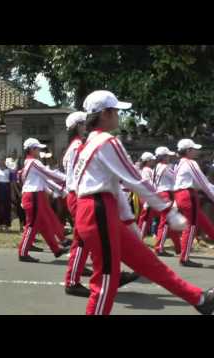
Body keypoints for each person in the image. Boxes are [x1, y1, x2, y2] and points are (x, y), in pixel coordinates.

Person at [74, 90, 214, 315]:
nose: (119, 116)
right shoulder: (107, 141)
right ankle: (199, 299)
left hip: (98, 210)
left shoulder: (88, 144)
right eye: (116, 111)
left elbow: (115, 188)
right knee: (106, 280)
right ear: (106, 114)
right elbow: (135, 179)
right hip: (98, 211)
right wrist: (167, 209)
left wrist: (129, 222)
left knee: (148, 262)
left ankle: (198, 299)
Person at [17, 138, 70, 263]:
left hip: (36, 195)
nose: (39, 151)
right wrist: (67, 180)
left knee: (43, 224)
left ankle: (56, 249)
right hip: (34, 195)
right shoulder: (34, 162)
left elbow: (44, 179)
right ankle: (22, 252)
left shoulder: (29, 163)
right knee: (32, 225)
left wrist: (57, 189)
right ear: (31, 149)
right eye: (37, 148)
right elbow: (49, 174)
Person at [62, 111, 94, 297]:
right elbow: (76, 176)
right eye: (83, 123)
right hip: (77, 194)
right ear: (77, 126)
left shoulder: (75, 146)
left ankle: (79, 269)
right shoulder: (77, 147)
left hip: (76, 193)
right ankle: (73, 280)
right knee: (83, 239)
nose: (86, 126)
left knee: (82, 239)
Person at [173, 139, 214, 267]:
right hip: (188, 195)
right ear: (188, 150)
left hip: (182, 195)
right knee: (191, 226)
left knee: (205, 223)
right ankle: (184, 258)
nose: (198, 151)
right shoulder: (190, 163)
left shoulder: (179, 163)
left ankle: (184, 256)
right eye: (195, 149)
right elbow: (203, 183)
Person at [152, 146, 182, 257]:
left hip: (159, 193)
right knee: (166, 222)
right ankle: (159, 247)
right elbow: (176, 178)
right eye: (168, 156)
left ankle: (179, 248)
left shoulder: (156, 168)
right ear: (163, 157)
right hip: (166, 193)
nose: (169, 158)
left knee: (170, 221)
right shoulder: (166, 167)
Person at [137, 152, 158, 239]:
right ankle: (140, 238)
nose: (154, 161)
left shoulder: (147, 170)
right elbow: (148, 184)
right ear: (148, 161)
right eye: (152, 160)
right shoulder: (146, 170)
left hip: (148, 197)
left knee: (146, 219)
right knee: (144, 219)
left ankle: (141, 237)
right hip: (148, 198)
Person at [0, 153, 16, 232]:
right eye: (0, 159)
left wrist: (12, 192)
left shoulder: (9, 170)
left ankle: (6, 225)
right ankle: (0, 225)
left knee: (7, 207)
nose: (2, 161)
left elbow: (11, 182)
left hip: (7, 189)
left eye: (3, 159)